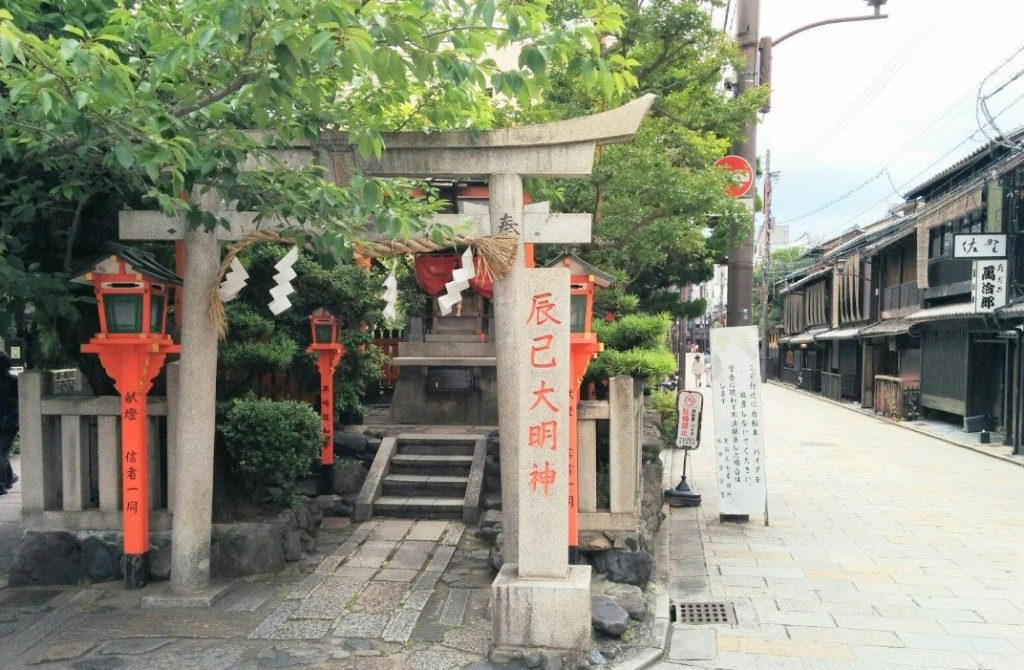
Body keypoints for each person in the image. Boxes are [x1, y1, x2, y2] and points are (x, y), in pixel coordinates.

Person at [0, 352, 18, 494]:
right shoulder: (14, 381)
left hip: (7, 422)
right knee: (2, 451)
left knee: (1, 452)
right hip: (10, 421)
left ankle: (3, 482)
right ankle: (7, 478)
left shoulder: (12, 382)